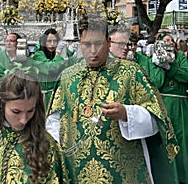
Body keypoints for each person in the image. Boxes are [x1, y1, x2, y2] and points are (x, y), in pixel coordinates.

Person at [47, 15, 179, 183]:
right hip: (76, 173)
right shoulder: (68, 77)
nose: (93, 51)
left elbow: (157, 120)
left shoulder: (131, 72)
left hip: (123, 174)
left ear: (108, 42)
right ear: (80, 42)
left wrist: (127, 114)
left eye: (98, 44)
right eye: (87, 44)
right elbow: (53, 121)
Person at [149, 34, 188, 183]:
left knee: (181, 140)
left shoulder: (181, 58)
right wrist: (159, 66)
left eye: (170, 41)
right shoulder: (154, 60)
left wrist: (170, 67)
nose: (168, 43)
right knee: (164, 142)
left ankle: (183, 177)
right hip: (163, 105)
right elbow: (155, 83)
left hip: (179, 108)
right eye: (164, 41)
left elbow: (186, 75)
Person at [32, 28, 74, 109]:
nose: (52, 44)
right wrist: (58, 53)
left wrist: (70, 50)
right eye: (49, 41)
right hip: (44, 97)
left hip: (59, 95)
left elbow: (70, 64)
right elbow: (50, 68)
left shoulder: (59, 53)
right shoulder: (38, 55)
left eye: (55, 41)